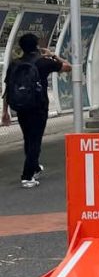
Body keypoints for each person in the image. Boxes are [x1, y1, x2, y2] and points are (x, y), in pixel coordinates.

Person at [2, 33, 71, 189]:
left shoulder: (15, 64)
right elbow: (68, 67)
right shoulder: (43, 62)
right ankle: (27, 176)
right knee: (35, 140)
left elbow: (8, 88)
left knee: (28, 138)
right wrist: (53, 55)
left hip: (20, 106)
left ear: (21, 47)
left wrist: (5, 112)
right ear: (37, 46)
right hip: (38, 107)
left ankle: (34, 167)